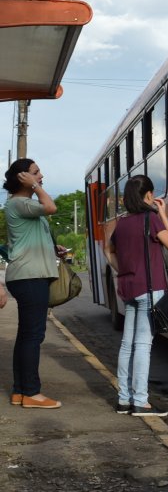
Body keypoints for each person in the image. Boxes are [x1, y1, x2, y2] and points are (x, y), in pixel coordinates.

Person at [104, 175, 168, 417]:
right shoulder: (152, 219)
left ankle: (124, 399)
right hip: (149, 289)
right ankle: (141, 402)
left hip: (128, 289)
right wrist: (163, 214)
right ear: (148, 196)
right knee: (143, 346)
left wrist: (123, 270)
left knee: (127, 345)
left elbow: (109, 250)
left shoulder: (122, 223)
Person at [3, 158, 64, 409]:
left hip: (28, 274)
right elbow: (51, 207)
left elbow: (30, 237)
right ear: (22, 178)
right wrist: (37, 188)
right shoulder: (19, 203)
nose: (41, 176)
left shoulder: (23, 205)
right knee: (33, 336)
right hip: (30, 277)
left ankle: (20, 391)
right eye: (35, 173)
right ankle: (31, 393)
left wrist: (52, 248)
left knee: (27, 335)